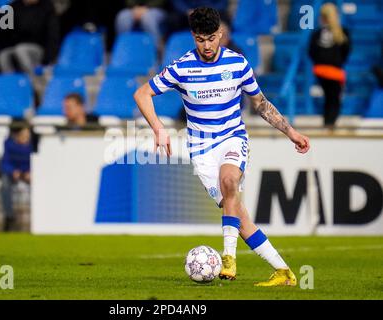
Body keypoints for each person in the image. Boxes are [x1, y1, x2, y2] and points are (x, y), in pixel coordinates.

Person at [134, 7, 310, 286]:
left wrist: (291, 132)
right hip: (202, 150)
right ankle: (283, 272)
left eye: (212, 38)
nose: (207, 45)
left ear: (221, 35)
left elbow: (261, 104)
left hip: (232, 137)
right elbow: (142, 93)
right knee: (238, 215)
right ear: (194, 37)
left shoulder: (238, 64)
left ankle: (228, 258)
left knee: (230, 181)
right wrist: (158, 128)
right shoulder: (182, 67)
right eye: (200, 39)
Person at [309, 3, 351, 129]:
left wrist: (320, 62)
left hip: (320, 70)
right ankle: (330, 123)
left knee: (328, 97)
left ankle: (328, 122)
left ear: (322, 17)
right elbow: (346, 50)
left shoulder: (317, 33)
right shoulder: (342, 32)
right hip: (335, 71)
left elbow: (311, 51)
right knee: (334, 98)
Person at [0, 0, 60, 75]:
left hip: (39, 49)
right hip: (16, 47)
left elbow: (52, 36)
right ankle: (12, 82)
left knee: (21, 49)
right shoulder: (12, 7)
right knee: (3, 55)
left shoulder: (47, 8)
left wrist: (47, 60)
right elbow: (2, 34)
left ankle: (34, 78)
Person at [0, 126, 32, 232]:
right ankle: (9, 216)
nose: (26, 138)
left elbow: (37, 160)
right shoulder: (9, 145)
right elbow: (5, 163)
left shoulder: (32, 146)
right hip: (14, 173)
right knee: (4, 184)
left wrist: (31, 171)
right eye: (23, 135)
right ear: (17, 135)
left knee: (41, 184)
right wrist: (13, 171)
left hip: (28, 173)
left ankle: (41, 214)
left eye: (27, 136)